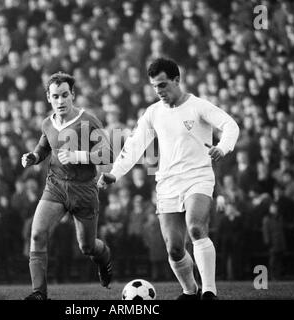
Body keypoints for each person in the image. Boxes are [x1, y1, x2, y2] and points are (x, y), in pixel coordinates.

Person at [98, 58, 240, 300]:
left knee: (196, 228)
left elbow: (231, 125)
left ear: (177, 80)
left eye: (163, 85)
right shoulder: (153, 113)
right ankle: (190, 291)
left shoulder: (198, 106)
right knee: (174, 249)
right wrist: (115, 173)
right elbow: (134, 145)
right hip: (167, 183)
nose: (159, 91)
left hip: (198, 177)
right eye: (155, 86)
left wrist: (222, 147)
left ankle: (209, 292)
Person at [21, 72, 112, 300]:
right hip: (56, 187)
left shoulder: (89, 121)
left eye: (64, 95)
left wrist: (78, 156)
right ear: (48, 98)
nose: (60, 101)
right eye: (55, 96)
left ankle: (105, 260)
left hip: (84, 190)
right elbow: (44, 147)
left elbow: (107, 154)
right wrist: (33, 157)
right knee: (37, 234)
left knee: (87, 247)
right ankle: (39, 293)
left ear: (73, 95)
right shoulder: (47, 123)